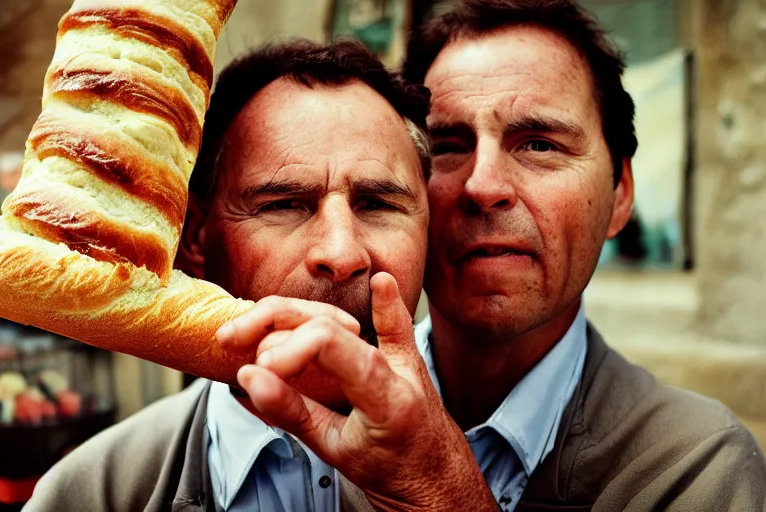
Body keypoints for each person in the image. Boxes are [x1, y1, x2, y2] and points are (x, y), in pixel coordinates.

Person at [218, 1, 766, 510]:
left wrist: (435, 490)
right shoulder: (297, 422)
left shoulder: (698, 469)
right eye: (449, 146)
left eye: (539, 144)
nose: (483, 185)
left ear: (621, 192)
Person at [23, 39, 487, 511]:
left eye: (378, 204)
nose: (342, 253)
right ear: (196, 242)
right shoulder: (87, 495)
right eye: (284, 205)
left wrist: (441, 491)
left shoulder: (508, 452)